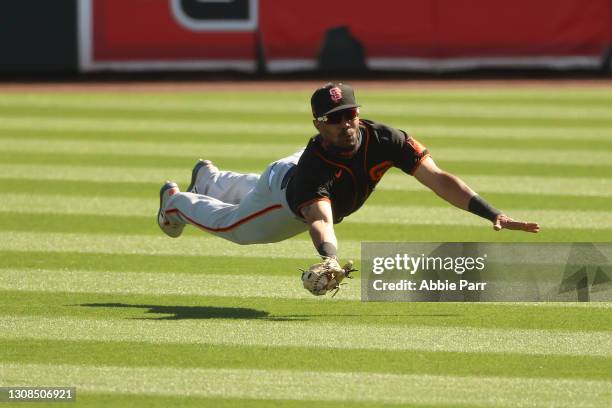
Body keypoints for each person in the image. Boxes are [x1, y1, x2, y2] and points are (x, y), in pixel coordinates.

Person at [157, 82, 540, 263]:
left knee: (257, 186)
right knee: (235, 228)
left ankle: (211, 178)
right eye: (335, 119)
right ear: (319, 124)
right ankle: (176, 203)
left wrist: (493, 213)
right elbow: (320, 219)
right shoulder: (317, 166)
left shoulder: (386, 138)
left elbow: (438, 179)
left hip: (290, 173)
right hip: (286, 196)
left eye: (350, 114)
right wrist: (329, 257)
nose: (346, 123)